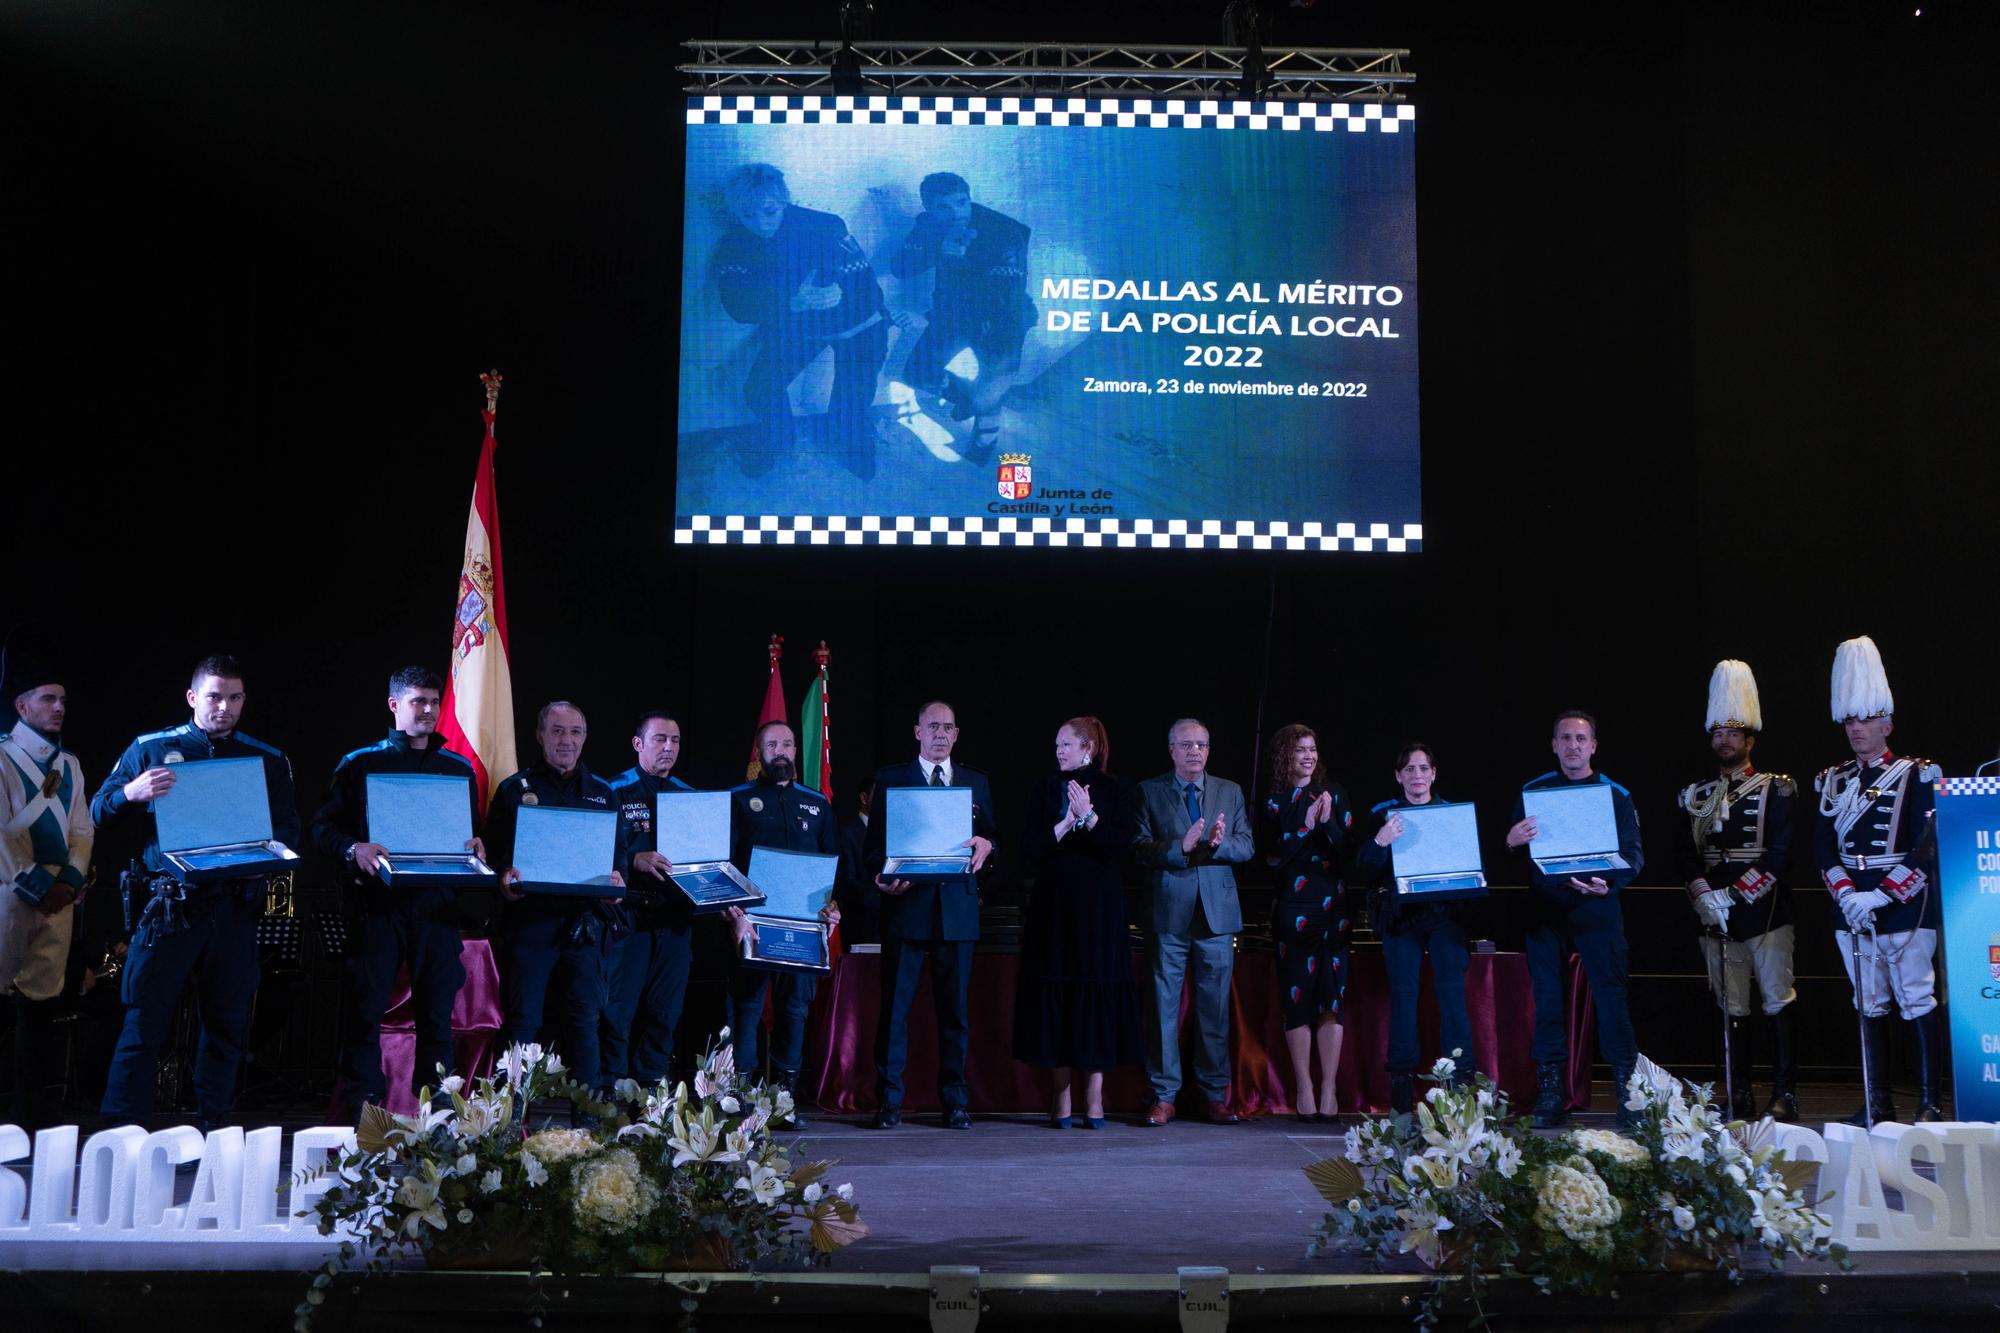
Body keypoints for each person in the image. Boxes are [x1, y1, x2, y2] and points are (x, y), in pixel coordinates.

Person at [94, 654, 301, 1130]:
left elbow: (290, 831)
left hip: (233, 908)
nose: (223, 707)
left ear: (244, 699)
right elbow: (98, 809)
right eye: (213, 696)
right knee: (144, 1021)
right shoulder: (151, 747)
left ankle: (216, 1133)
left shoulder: (265, 758)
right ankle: (120, 1134)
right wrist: (132, 793)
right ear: (192, 697)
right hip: (171, 907)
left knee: (227, 1027)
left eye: (234, 697)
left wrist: (265, 856)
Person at [311, 666, 483, 1121]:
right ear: (394, 706)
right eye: (417, 702)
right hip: (377, 908)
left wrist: (478, 845)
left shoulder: (458, 768)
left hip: (437, 909)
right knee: (365, 1014)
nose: (427, 710)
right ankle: (360, 1120)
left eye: (433, 701)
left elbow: (471, 838)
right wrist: (353, 848)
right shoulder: (361, 764)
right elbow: (321, 828)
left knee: (436, 1020)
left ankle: (439, 1121)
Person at [1814, 635, 1943, 1124]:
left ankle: (1930, 1103)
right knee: (1869, 1003)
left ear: (1887, 724)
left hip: (1905, 906)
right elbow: (1823, 847)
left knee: (1916, 998)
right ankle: (1876, 1102)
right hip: (1851, 910)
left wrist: (1882, 895)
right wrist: (1850, 896)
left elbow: (1926, 845)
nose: (1856, 728)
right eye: (1849, 719)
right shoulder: (1833, 779)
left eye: (1865, 719)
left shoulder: (1917, 774)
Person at [1505, 710, 1644, 1129]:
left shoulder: (1614, 793)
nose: (1573, 746)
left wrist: (1610, 884)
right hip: (1547, 911)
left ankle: (1627, 1095)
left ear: (1594, 746)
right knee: (1548, 1003)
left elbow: (1635, 855)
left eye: (1581, 740)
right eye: (1565, 739)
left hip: (1598, 909)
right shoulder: (1533, 792)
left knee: (1611, 1001)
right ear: (1553, 745)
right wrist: (1510, 843)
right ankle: (1550, 1096)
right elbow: (1514, 859)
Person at [1674, 660, 1800, 1122]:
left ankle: (1786, 1092)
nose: (1723, 740)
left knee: (1776, 1000)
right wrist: (1704, 893)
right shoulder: (1695, 794)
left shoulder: (1777, 790)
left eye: (1733, 732)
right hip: (1712, 911)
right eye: (1718, 733)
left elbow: (1781, 852)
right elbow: (1685, 852)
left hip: (1763, 908)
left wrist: (1736, 894)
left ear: (1750, 740)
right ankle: (1740, 1093)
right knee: (1731, 1007)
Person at [709, 162, 890, 479]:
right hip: (801, 326)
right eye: (747, 215)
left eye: (769, 211)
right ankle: (780, 437)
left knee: (854, 397)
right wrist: (791, 302)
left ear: (784, 200)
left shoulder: (825, 226)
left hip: (858, 323)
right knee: (760, 389)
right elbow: (737, 307)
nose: (761, 223)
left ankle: (853, 441)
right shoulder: (734, 244)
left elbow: (866, 283)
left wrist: (839, 294)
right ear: (735, 213)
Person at [863, 700, 996, 1130]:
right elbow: (871, 852)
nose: (940, 734)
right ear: (917, 732)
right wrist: (880, 878)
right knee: (895, 1013)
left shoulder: (976, 782)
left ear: (957, 735)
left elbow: (991, 841)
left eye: (948, 728)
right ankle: (889, 1101)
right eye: (932, 726)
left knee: (955, 1015)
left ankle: (955, 1101)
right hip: (905, 908)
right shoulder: (890, 780)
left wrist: (988, 848)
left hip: (957, 912)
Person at [486, 700, 625, 1096]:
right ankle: (505, 1122)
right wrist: (502, 877)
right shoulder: (514, 790)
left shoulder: (603, 794)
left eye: (575, 732)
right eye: (558, 731)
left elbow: (619, 859)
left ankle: (588, 1128)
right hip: (530, 927)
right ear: (540, 736)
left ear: (585, 738)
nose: (567, 740)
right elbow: (493, 856)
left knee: (583, 1023)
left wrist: (618, 881)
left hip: (583, 928)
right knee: (522, 1023)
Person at [1012, 716, 1142, 1129]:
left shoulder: (1117, 789)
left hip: (1100, 912)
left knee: (1096, 996)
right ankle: (1061, 1096)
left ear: (1088, 747)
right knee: (1058, 997)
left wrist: (1089, 817)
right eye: (1056, 745)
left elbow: (1122, 847)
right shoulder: (1046, 787)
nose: (1058, 752)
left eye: (1065, 744)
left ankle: (1095, 1099)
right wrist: (1066, 823)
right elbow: (1029, 849)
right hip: (1054, 910)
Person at [1133, 718, 1254, 1126]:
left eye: (1201, 745)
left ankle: (1213, 1095)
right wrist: (1178, 848)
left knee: (1214, 1010)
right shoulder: (1149, 791)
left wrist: (1220, 844)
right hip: (1169, 914)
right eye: (1186, 745)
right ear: (1171, 750)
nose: (1195, 752)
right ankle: (1163, 1096)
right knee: (1164, 1008)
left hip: (1216, 917)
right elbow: (1139, 849)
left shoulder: (1229, 791)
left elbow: (1247, 845)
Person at [1354, 742, 1477, 1117]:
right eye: (1409, 769)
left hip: (1444, 918)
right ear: (1398, 775)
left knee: (1453, 1000)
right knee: (1404, 1000)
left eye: (1424, 769)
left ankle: (1459, 1090)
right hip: (1401, 919)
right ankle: (1401, 1096)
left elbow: (1468, 868)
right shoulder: (1382, 814)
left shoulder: (1450, 814)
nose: (1417, 776)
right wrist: (1381, 841)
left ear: (1434, 773)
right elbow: (1362, 868)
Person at [727, 720, 840, 1125]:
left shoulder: (817, 803)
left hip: (802, 928)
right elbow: (724, 863)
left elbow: (832, 866)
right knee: (747, 1008)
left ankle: (784, 1102)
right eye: (773, 744)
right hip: (752, 923)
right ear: (758, 752)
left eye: (788, 744)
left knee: (794, 1009)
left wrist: (832, 907)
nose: (782, 751)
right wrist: (735, 914)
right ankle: (738, 1100)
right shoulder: (737, 799)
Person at [0, 649, 92, 1128]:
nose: (59, 707)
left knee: (41, 1006)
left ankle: (33, 1117)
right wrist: (35, 885)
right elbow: (1, 833)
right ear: (22, 706)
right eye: (48, 699)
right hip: (9, 894)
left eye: (62, 700)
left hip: (59, 898)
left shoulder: (71, 765)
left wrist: (70, 881)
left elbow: (82, 828)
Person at [888, 172, 1036, 461]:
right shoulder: (927, 225)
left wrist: (964, 258)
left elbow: (1007, 294)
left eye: (961, 202)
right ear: (928, 207)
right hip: (953, 311)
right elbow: (900, 268)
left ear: (969, 198)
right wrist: (937, 251)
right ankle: (967, 396)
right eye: (944, 207)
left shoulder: (1004, 231)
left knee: (990, 394)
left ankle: (982, 447)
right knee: (916, 372)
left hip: (1004, 318)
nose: (956, 213)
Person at [1254, 723, 1355, 1123]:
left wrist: (1328, 822)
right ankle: (1304, 1085)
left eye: (1312, 749)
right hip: (1293, 911)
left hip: (1334, 910)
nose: (1308, 756)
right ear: (1285, 757)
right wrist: (1305, 827)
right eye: (1300, 751)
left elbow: (1350, 851)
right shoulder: (1273, 802)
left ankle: (1329, 1085)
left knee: (1331, 1000)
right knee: (1297, 1001)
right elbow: (1272, 862)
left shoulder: (1336, 793)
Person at [605, 711, 696, 1091]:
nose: (669, 748)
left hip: (675, 920)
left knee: (666, 1012)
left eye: (674, 740)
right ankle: (608, 1089)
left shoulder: (690, 798)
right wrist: (632, 860)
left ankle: (651, 1091)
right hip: (629, 919)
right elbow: (592, 854)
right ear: (638, 744)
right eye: (660, 739)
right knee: (618, 1011)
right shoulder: (611, 791)